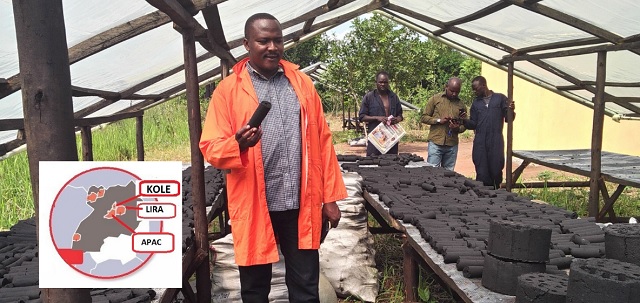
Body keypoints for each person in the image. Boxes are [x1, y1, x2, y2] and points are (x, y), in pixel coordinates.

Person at [199, 13, 347, 303]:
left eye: (277, 40)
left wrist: (329, 199)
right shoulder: (228, 91)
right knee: (255, 289)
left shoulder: (302, 84)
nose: (272, 47)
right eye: (263, 40)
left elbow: (323, 143)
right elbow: (211, 148)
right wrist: (237, 145)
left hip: (300, 202)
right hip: (256, 202)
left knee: (305, 285)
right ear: (246, 44)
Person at [465, 75, 516, 188]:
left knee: (496, 169)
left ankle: (496, 194)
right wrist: (463, 120)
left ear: (484, 85)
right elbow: (473, 123)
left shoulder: (500, 98)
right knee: (481, 171)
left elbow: (509, 119)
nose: (474, 91)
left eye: (476, 88)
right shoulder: (476, 103)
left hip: (496, 140)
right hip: (480, 141)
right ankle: (482, 196)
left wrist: (511, 110)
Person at [420, 77, 467, 171]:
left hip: (452, 145)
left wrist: (457, 128)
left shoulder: (461, 105)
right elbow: (423, 117)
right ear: (446, 87)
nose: (454, 94)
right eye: (452, 91)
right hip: (436, 143)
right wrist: (438, 121)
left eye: (457, 92)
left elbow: (464, 125)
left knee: (448, 174)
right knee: (432, 172)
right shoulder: (435, 99)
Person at [358, 71, 404, 156]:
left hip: (391, 137)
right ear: (376, 82)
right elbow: (362, 117)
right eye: (380, 82)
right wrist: (376, 118)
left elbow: (400, 115)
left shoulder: (394, 97)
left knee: (392, 163)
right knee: (372, 163)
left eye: (385, 82)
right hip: (376, 137)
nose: (383, 84)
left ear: (388, 83)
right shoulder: (369, 97)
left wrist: (397, 119)